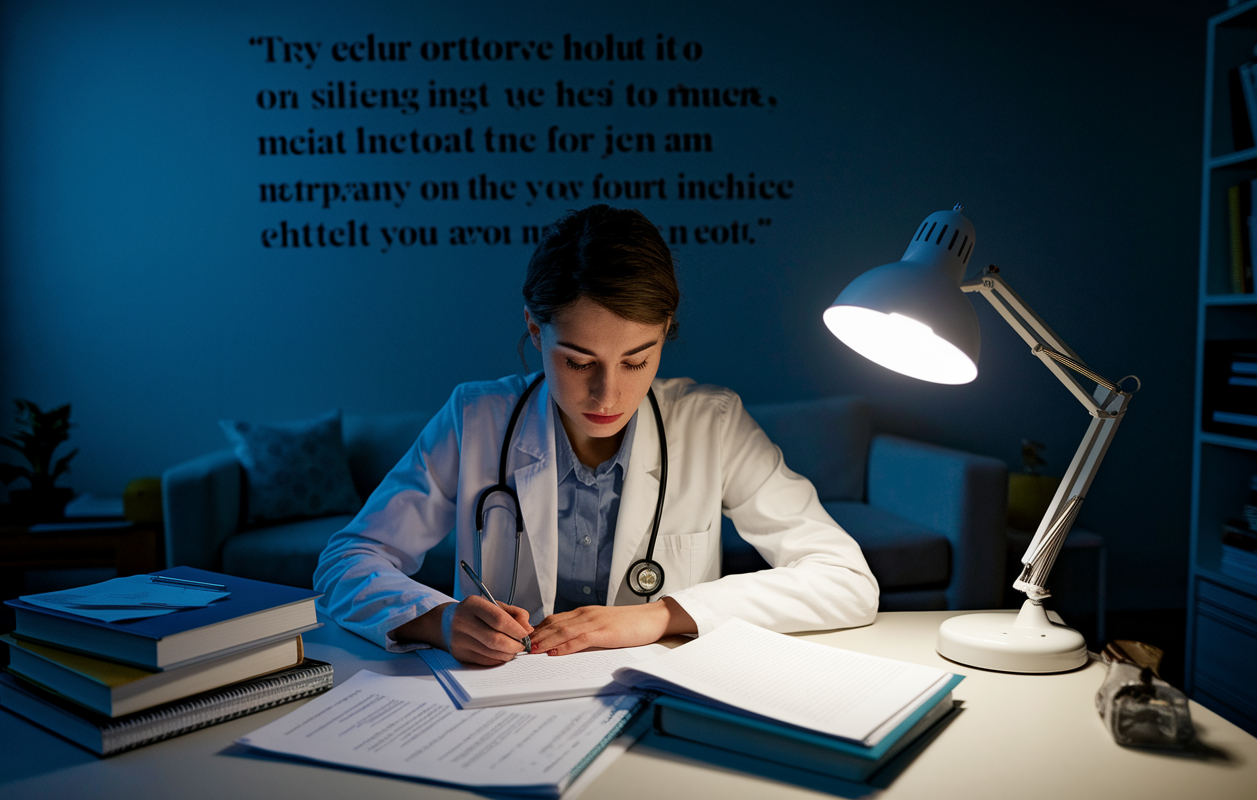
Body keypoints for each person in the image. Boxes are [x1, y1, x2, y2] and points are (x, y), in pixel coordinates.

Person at [315, 205, 878, 665]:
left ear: (665, 333)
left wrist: (657, 616)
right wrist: (438, 621)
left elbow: (846, 580)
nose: (607, 397)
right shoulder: (476, 418)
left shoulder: (713, 425)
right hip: (503, 708)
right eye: (579, 362)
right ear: (536, 328)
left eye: (637, 360)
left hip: (655, 700)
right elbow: (346, 562)